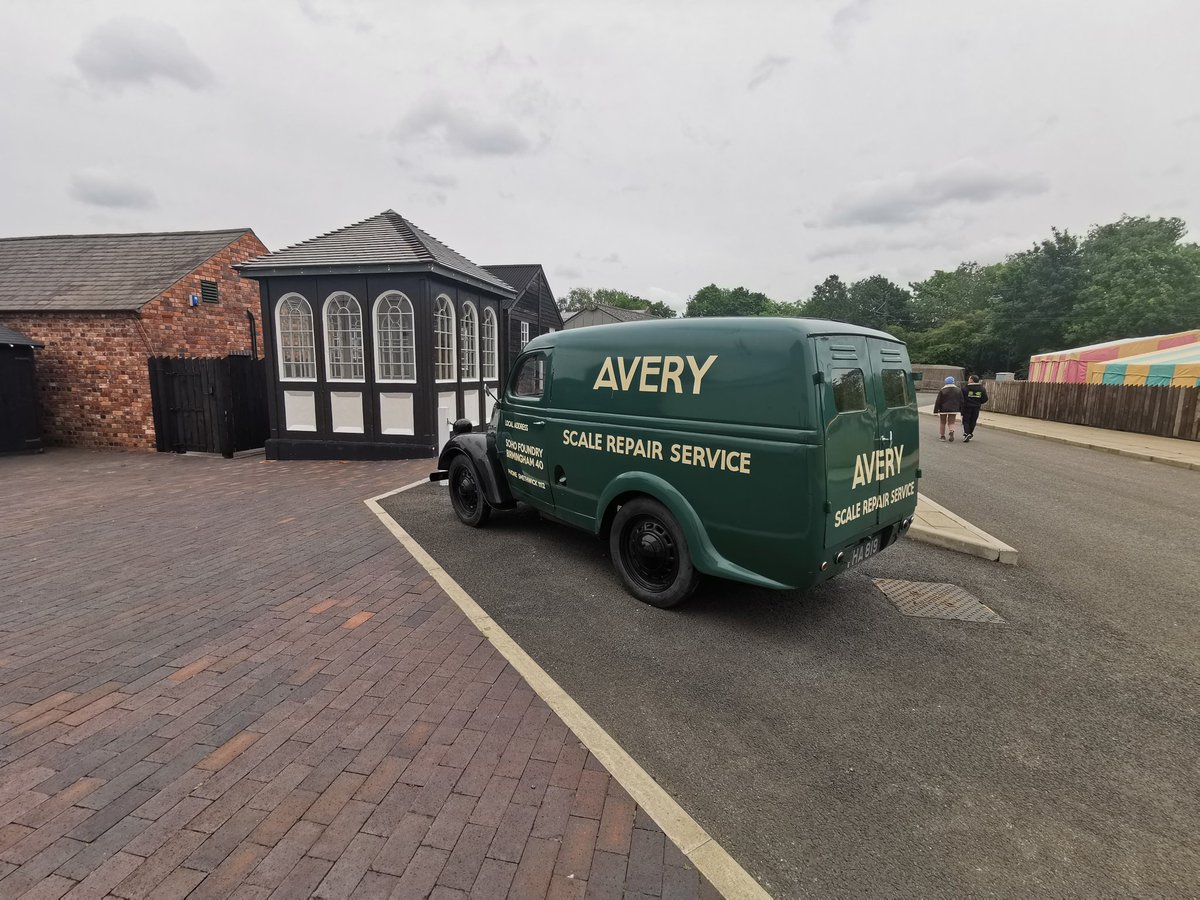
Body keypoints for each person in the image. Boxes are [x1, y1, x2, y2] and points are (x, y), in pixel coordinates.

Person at [933, 375, 963, 442]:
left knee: (942, 422)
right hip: (954, 409)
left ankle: (942, 436)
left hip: (943, 409)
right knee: (951, 422)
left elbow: (938, 401)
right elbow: (961, 400)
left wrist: (935, 411)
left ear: (946, 382)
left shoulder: (942, 390)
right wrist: (961, 410)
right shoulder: (958, 390)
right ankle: (951, 431)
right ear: (953, 382)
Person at [961, 375, 988, 442]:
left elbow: (961, 398)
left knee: (966, 421)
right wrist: (978, 402)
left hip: (967, 407)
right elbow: (985, 399)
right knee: (973, 420)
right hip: (976, 407)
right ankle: (970, 433)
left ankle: (966, 433)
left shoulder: (965, 388)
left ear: (972, 380)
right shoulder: (982, 389)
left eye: (969, 378)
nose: (968, 380)